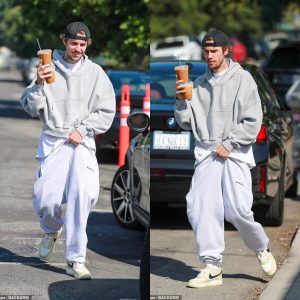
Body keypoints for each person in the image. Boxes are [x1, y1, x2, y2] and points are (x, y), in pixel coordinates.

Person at [175, 29, 277, 288]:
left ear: (225, 51)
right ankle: (212, 267)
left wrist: (230, 143)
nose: (209, 56)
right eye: (206, 51)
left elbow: (253, 121)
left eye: (214, 51)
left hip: (234, 153)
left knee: (238, 210)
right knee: (200, 206)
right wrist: (181, 101)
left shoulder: (243, 80)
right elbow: (186, 123)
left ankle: (261, 248)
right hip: (207, 152)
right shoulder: (197, 83)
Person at [20, 22, 116, 279]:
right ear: (64, 41)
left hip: (82, 141)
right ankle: (51, 229)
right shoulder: (48, 66)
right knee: (45, 199)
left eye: (83, 44)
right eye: (74, 43)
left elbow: (106, 110)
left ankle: (75, 259)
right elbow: (30, 107)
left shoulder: (96, 72)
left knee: (82, 196)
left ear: (88, 45)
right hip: (54, 140)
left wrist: (83, 129)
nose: (78, 48)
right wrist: (39, 83)